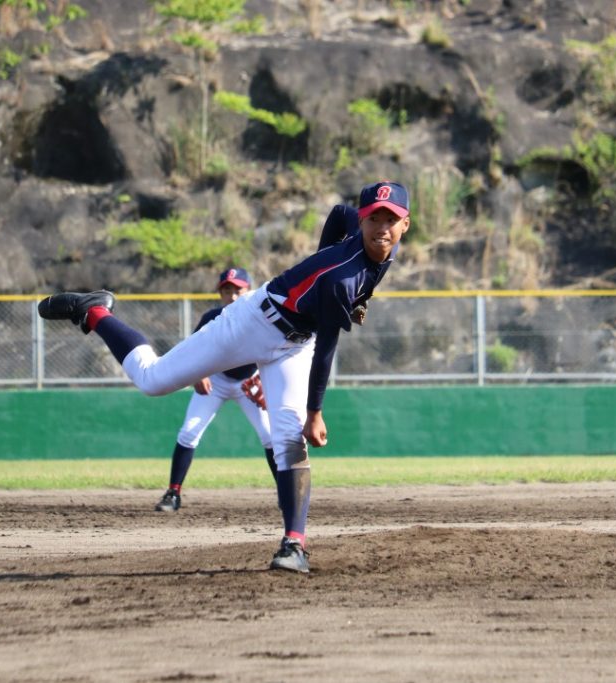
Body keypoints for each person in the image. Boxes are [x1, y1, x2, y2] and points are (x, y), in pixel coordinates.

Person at [39, 180, 410, 573]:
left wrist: (320, 264)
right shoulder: (341, 279)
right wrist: (315, 412)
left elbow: (338, 214)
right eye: (373, 218)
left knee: (287, 435)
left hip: (295, 343)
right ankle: (95, 311)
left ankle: (294, 545)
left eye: (391, 219)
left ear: (406, 224)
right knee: (152, 379)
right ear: (363, 219)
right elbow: (327, 349)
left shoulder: (382, 245)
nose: (381, 227)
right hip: (253, 323)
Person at [154, 267, 277, 513]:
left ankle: (287, 495)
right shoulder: (212, 317)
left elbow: (275, 350)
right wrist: (198, 374)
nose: (232, 296)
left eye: (238, 290)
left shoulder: (261, 317)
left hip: (249, 382)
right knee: (189, 432)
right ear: (220, 294)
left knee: (270, 436)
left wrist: (265, 378)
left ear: (249, 290)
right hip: (216, 381)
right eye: (227, 290)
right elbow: (193, 350)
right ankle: (173, 494)